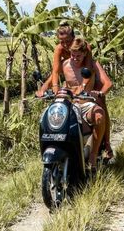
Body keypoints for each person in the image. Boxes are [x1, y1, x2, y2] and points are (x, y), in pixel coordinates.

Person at [36, 22, 113, 159]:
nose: (65, 44)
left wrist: (83, 89)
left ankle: (105, 144)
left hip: (86, 84)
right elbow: (55, 72)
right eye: (62, 41)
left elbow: (88, 69)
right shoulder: (59, 50)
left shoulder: (85, 48)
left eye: (68, 41)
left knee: (101, 107)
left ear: (74, 38)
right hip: (70, 85)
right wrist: (54, 89)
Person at [62, 38, 113, 169]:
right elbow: (65, 84)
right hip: (71, 104)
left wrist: (100, 93)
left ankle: (93, 155)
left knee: (99, 116)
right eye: (72, 55)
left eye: (78, 56)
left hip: (86, 104)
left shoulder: (92, 65)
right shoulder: (65, 65)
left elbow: (108, 83)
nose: (74, 58)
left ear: (85, 53)